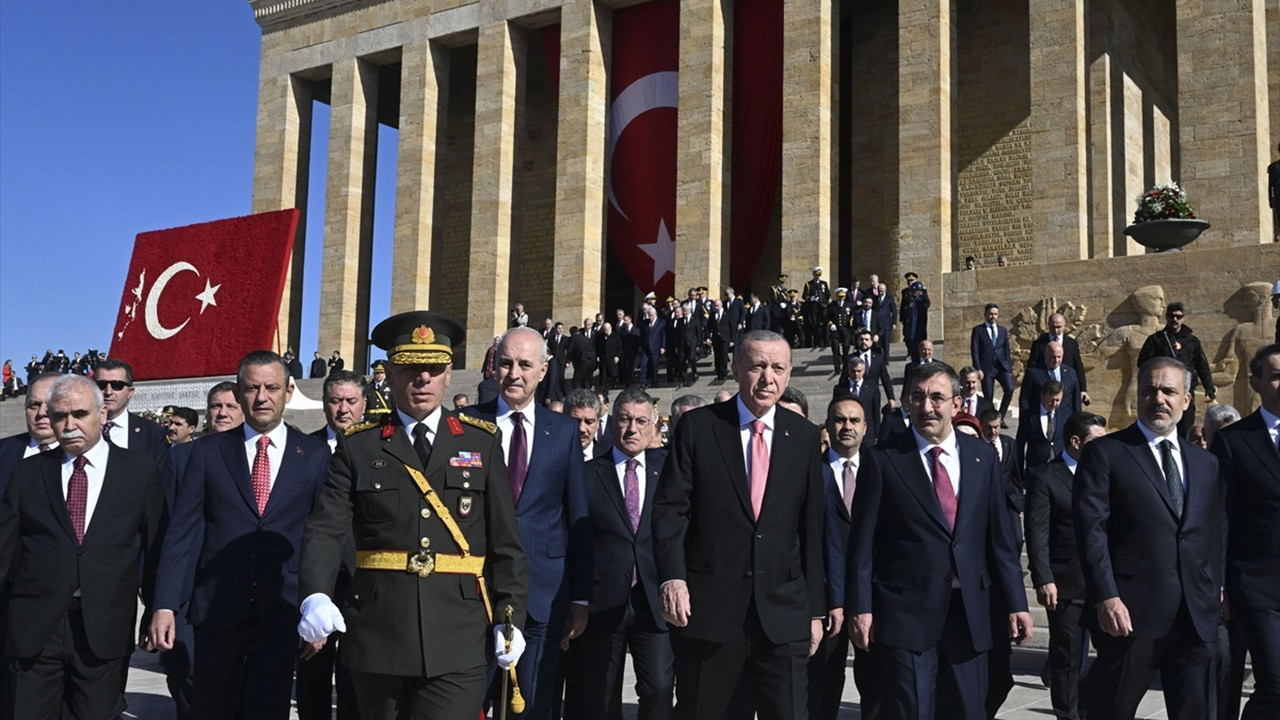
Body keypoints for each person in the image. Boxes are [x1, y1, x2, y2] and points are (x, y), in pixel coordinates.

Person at [296, 311, 527, 719]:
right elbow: (327, 529)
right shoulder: (359, 446)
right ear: (391, 372)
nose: (422, 379)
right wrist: (315, 594)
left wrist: (510, 619)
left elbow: (504, 541)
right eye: (410, 368)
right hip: (379, 633)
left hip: (458, 635)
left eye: (433, 369)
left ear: (448, 373)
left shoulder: (481, 442)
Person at [149, 351, 331, 720]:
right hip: (217, 610)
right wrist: (164, 604)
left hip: (282, 610)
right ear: (240, 391)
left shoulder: (313, 454)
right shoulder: (207, 451)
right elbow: (182, 533)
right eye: (252, 388)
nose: (262, 397)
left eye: (272, 387)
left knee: (269, 709)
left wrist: (319, 607)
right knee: (211, 708)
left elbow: (323, 536)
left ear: (289, 392)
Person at [653, 330, 825, 720]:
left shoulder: (803, 436)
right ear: (735, 368)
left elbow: (811, 528)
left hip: (782, 616)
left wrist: (814, 610)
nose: (768, 379)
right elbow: (670, 511)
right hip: (712, 612)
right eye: (758, 366)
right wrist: (672, 578)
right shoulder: (699, 427)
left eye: (778, 368)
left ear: (790, 373)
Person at [845, 361, 1032, 720]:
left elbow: (1001, 541)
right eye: (917, 397)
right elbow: (862, 544)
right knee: (913, 711)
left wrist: (1016, 603)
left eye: (936, 397)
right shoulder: (883, 459)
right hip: (906, 613)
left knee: (969, 709)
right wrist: (861, 607)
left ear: (956, 404)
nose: (926, 406)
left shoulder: (981, 458)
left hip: (970, 613)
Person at [0, 374, 164, 720]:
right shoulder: (28, 473)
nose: (69, 424)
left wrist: (157, 608)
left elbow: (154, 546)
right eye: (60, 416)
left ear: (102, 414)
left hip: (103, 628)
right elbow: (6, 547)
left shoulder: (140, 472)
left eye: (79, 414)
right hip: (34, 628)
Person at [1075, 356, 1226, 720]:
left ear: (1187, 400)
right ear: (1137, 396)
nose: (1158, 399)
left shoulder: (1205, 463)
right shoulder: (1107, 453)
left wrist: (1216, 588)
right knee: (1108, 710)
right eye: (1150, 390)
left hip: (1195, 616)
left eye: (1168, 391)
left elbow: (1214, 530)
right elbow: (1090, 529)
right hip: (1131, 614)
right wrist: (1107, 595)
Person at [470, 327, 591, 720]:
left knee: (533, 704)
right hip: (476, 591)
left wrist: (579, 597)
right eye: (506, 363)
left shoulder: (565, 432)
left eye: (525, 364)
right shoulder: (467, 425)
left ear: (543, 370)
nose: (514, 373)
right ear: (494, 368)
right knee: (470, 702)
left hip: (545, 590)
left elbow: (577, 517)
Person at [579, 390, 674, 720]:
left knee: (660, 688)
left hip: (653, 598)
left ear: (653, 428)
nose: (632, 428)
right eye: (624, 419)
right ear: (611, 423)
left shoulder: (670, 472)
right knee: (602, 694)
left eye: (640, 421)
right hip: (602, 599)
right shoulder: (588, 473)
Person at [1210, 343, 1280, 719]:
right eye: (1276, 376)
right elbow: (1221, 516)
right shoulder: (1235, 441)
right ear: (1256, 382)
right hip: (1256, 586)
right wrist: (1219, 584)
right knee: (1275, 685)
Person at [1024, 411, 1106, 720]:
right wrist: (1043, 578)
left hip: (1103, 584)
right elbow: (1038, 531)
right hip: (1066, 585)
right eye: (1096, 442)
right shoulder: (1047, 477)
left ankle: (1089, 706)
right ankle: (1067, 714)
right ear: (1075, 442)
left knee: (1115, 654)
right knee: (1067, 659)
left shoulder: (1104, 473)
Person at [296, 370, 366, 720]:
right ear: (324, 404)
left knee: (356, 672)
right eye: (335, 401)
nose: (343, 409)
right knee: (312, 669)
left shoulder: (380, 446)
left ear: (364, 404)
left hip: (361, 577)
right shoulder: (304, 450)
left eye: (351, 401)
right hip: (317, 577)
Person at [814, 395, 879, 720]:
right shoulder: (811, 473)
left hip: (874, 597)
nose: (847, 427)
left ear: (865, 428)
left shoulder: (882, 470)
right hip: (826, 600)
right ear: (828, 425)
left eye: (854, 421)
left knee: (876, 687)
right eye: (840, 420)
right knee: (823, 686)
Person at [1137, 302, 1216, 437]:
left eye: (1178, 317)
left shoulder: (1192, 341)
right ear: (1166, 318)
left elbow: (1202, 365)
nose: (1175, 320)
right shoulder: (1156, 339)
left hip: (1185, 389)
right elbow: (1143, 363)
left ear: (1183, 318)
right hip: (1163, 389)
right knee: (1162, 423)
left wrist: (1209, 387)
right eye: (1171, 316)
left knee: (1186, 425)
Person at [95, 357, 170, 466]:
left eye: (117, 386)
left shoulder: (152, 433)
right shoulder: (78, 427)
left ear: (130, 392)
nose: (108, 392)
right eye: (101, 385)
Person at [0, 373, 61, 493]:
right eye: (34, 405)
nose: (42, 412)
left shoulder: (81, 457)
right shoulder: (3, 451)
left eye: (51, 404)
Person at [1028, 313, 1091, 406]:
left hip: (1066, 387)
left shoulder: (1071, 343)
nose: (1056, 330)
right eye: (1053, 327)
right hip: (1046, 389)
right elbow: (1032, 367)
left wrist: (1083, 389)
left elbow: (1078, 366)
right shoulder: (1039, 344)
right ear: (1048, 325)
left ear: (1064, 325)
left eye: (1059, 327)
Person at [970, 303, 1015, 418]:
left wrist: (1008, 367)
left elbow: (1006, 350)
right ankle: (988, 418)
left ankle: (1000, 416)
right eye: (990, 314)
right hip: (987, 368)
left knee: (1009, 389)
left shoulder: (1002, 330)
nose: (993, 316)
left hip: (1001, 366)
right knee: (988, 395)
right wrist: (978, 368)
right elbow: (975, 350)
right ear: (985, 314)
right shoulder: (978, 330)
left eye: (995, 314)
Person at [1016, 381, 1067, 475]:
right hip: (1036, 471)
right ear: (1042, 396)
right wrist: (1019, 474)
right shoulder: (1029, 416)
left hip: (1060, 471)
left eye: (1058, 400)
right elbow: (1020, 445)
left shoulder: (1065, 415)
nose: (1054, 404)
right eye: (1051, 400)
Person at [1019, 342, 1082, 417]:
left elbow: (1076, 399)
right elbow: (1025, 398)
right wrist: (1025, 418)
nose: (1056, 360)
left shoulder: (1071, 373)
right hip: (1040, 417)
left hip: (1065, 418)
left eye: (1059, 357)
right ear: (1045, 355)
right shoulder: (1033, 372)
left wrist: (1078, 418)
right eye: (1053, 357)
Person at [833, 357, 881, 444]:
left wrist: (877, 434)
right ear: (848, 371)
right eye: (853, 371)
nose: (856, 374)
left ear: (864, 370)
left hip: (867, 436)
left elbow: (876, 412)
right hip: (847, 435)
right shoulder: (839, 389)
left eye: (859, 371)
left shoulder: (872, 388)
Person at [564, 388, 605, 461]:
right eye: (575, 421)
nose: (582, 428)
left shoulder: (608, 461)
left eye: (589, 422)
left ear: (598, 424)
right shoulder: (546, 458)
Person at [899, 275, 931, 363]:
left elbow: (927, 304)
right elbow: (903, 308)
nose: (916, 292)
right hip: (910, 329)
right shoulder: (909, 299)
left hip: (919, 329)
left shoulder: (920, 301)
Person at [826, 288, 855, 375]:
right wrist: (830, 324)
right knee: (835, 350)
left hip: (846, 330)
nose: (841, 299)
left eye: (843, 297)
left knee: (846, 346)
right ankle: (837, 368)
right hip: (835, 331)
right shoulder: (831, 306)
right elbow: (826, 317)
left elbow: (853, 315)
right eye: (839, 297)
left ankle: (845, 363)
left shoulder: (848, 305)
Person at [803, 267, 832, 350]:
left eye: (819, 276)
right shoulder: (809, 284)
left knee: (823, 325)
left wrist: (827, 302)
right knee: (814, 325)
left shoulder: (824, 283)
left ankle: (824, 342)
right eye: (816, 275)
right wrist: (810, 298)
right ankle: (815, 342)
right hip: (814, 308)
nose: (818, 277)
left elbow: (827, 294)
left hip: (822, 308)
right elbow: (804, 296)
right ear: (813, 275)